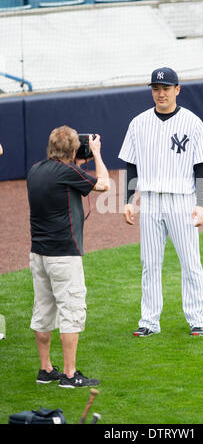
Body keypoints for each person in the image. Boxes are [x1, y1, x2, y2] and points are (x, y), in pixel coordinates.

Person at [118, 67, 203, 337]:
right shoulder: (138, 123)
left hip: (181, 201)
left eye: (166, 88)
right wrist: (128, 199)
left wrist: (201, 203)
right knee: (150, 263)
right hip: (149, 201)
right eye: (156, 89)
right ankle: (149, 321)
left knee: (190, 262)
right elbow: (131, 164)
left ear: (177, 90)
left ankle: (198, 319)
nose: (161, 93)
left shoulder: (193, 123)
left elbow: (200, 167)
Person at [27, 126, 109, 387]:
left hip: (38, 254)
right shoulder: (68, 172)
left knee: (43, 311)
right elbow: (104, 184)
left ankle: (46, 370)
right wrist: (96, 154)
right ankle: (70, 375)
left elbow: (64, 180)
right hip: (64, 255)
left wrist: (77, 164)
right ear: (74, 150)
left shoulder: (35, 170)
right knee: (70, 312)